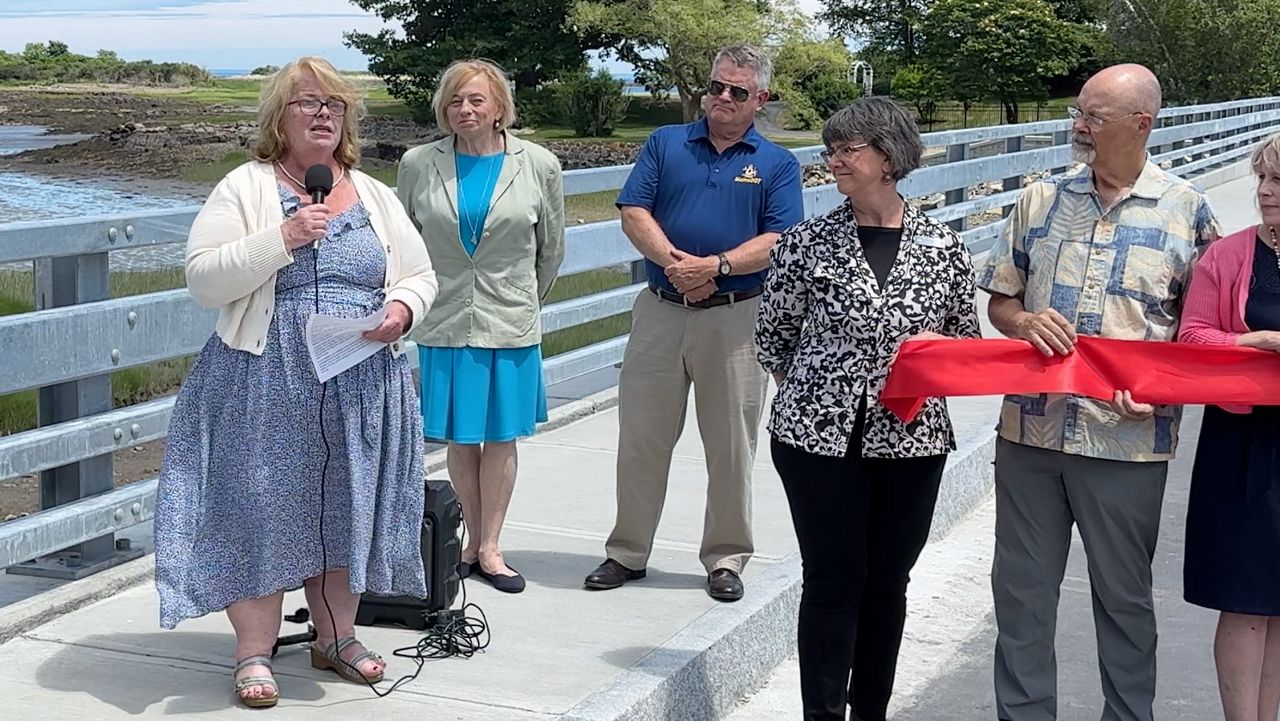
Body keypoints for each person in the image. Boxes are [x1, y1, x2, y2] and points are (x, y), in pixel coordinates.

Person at [154, 57, 439, 708]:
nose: (323, 115)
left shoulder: (373, 192)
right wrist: (283, 237)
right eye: (308, 103)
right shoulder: (245, 187)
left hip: (361, 381)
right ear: (278, 117)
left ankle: (336, 637)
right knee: (260, 507)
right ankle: (252, 651)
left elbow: (419, 273)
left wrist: (402, 310)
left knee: (347, 506)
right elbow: (203, 279)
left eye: (334, 105)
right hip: (264, 378)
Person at [978, 63, 1219, 721]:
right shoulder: (1038, 200)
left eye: (1093, 116)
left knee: (1124, 601)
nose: (1077, 126)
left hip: (1128, 441)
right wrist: (1023, 320)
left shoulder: (1189, 212)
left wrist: (1163, 387)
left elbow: (1206, 336)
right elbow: (1000, 301)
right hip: (1030, 434)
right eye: (1078, 112)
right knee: (1022, 597)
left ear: (1141, 124)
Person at [755, 96, 981, 721]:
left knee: (888, 586)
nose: (833, 161)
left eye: (847, 149)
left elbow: (963, 343)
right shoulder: (805, 243)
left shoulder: (944, 247)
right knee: (832, 583)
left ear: (888, 155)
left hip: (912, 443)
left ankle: (870, 713)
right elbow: (774, 340)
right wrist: (825, 392)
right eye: (830, 150)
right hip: (816, 443)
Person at [582, 44, 803, 602]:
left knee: (730, 445)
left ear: (761, 99)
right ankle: (627, 552)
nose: (721, 98)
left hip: (735, 319)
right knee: (641, 438)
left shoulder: (777, 164)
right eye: (716, 86)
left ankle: (725, 558)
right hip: (660, 310)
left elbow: (781, 239)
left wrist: (719, 267)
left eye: (736, 91)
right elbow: (635, 211)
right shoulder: (666, 143)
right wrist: (679, 267)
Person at [397, 59, 565, 595]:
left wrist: (522, 300)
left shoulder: (538, 164)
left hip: (510, 320)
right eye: (454, 101)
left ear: (499, 109)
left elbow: (551, 251)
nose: (464, 110)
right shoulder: (419, 163)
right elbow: (402, 242)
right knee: (462, 437)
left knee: (501, 437)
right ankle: (467, 542)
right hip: (445, 317)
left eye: (476, 100)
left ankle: (491, 546)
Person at [1178, 133, 1280, 721]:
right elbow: (1192, 337)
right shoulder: (1227, 255)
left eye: (1277, 181)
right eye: (1261, 179)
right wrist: (1253, 341)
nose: (1264, 192)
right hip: (1241, 446)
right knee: (1245, 601)